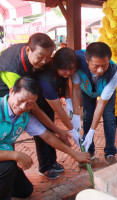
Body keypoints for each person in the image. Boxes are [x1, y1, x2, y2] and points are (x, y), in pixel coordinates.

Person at [0, 76, 91, 200]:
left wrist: (75, 154)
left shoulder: (25, 116)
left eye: (30, 104)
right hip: (6, 161)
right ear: (11, 92)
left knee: (25, 190)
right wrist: (16, 156)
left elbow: (47, 136)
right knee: (8, 167)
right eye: (21, 100)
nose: (23, 107)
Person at [0, 33, 72, 162]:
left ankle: (50, 162)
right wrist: (59, 131)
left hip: (27, 91)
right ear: (28, 50)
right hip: (8, 94)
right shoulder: (12, 68)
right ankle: (11, 164)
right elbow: (32, 107)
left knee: (43, 126)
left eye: (48, 57)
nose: (44, 61)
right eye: (40, 56)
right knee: (8, 134)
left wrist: (58, 130)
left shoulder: (37, 54)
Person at [34, 48, 82, 179]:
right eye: (65, 70)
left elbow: (65, 85)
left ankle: (52, 162)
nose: (69, 73)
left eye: (72, 69)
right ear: (56, 66)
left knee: (52, 131)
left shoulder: (61, 74)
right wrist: (73, 130)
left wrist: (69, 102)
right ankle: (44, 167)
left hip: (49, 104)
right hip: (38, 107)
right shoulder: (47, 80)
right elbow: (59, 110)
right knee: (43, 136)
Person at [72, 42, 117, 166]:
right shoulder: (77, 65)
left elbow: (101, 105)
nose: (100, 70)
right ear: (87, 60)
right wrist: (75, 115)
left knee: (109, 117)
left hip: (104, 90)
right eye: (96, 66)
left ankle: (110, 153)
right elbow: (76, 90)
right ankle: (89, 151)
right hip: (87, 90)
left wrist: (93, 131)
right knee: (87, 117)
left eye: (104, 65)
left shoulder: (113, 74)